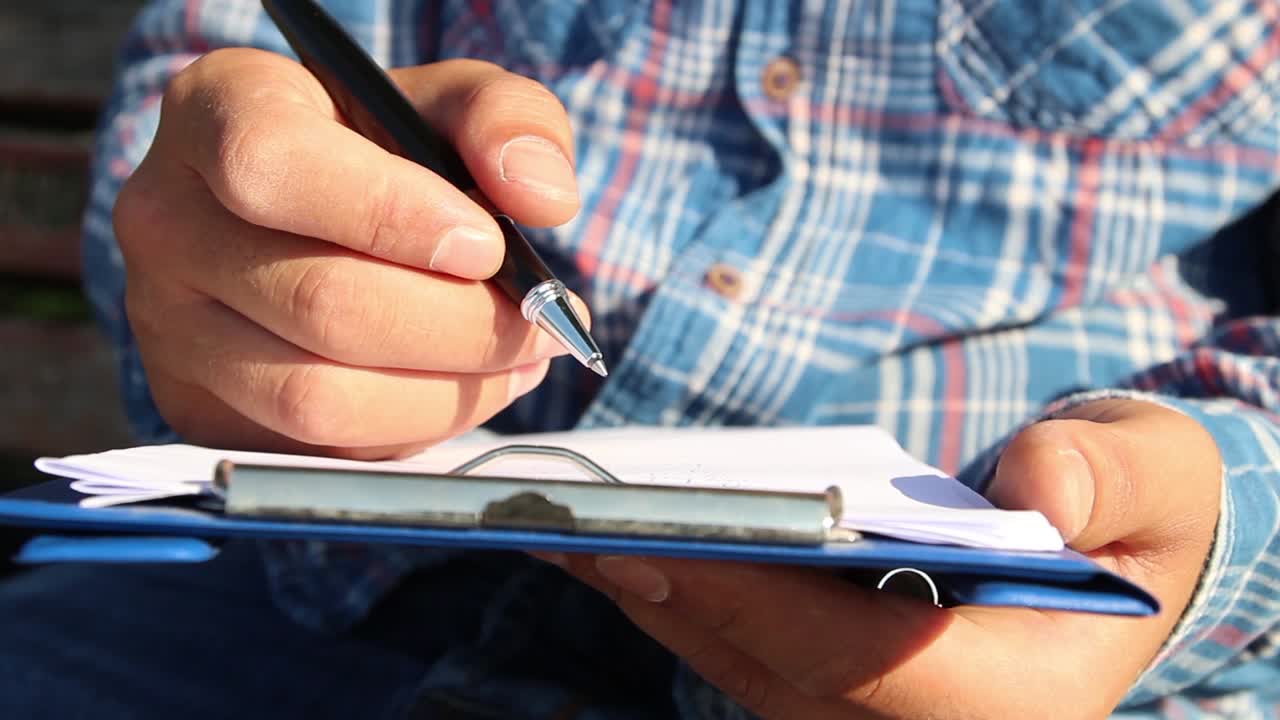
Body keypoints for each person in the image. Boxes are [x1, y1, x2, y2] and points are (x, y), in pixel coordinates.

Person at [3, 0, 1279, 717]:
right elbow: (236, 68)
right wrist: (232, 263)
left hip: (1015, 662)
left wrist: (1211, 520)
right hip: (300, 595)